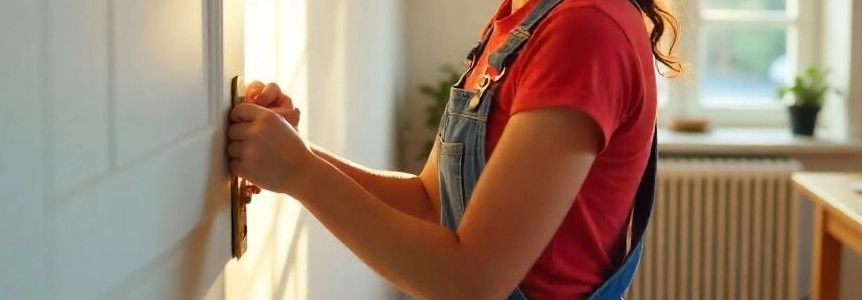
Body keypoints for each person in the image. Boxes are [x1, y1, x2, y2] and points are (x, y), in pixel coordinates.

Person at [227, 0, 680, 298]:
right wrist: (291, 152)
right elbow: (432, 202)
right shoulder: (524, 20)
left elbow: (472, 282)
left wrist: (302, 173)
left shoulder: (585, 29)